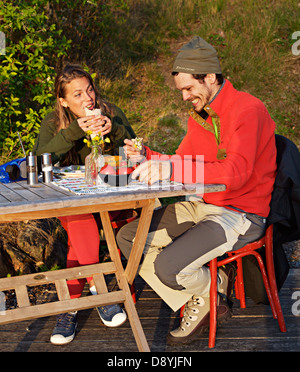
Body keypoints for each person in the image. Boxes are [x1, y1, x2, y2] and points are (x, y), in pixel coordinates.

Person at [117, 36, 277, 345]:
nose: (185, 97)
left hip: (239, 215)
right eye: (181, 91)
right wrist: (148, 157)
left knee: (167, 268)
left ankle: (202, 288)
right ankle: (209, 289)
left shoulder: (248, 110)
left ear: (211, 77)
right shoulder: (202, 115)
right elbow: (182, 159)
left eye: (189, 88)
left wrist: (173, 169)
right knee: (128, 238)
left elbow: (237, 173)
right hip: (203, 204)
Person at [33, 63, 136, 345]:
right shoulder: (55, 121)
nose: (87, 99)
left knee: (79, 233)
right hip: (72, 199)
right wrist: (73, 133)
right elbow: (41, 158)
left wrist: (113, 130)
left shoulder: (111, 112)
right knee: (79, 219)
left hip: (112, 195)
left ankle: (68, 309)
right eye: (77, 95)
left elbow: (135, 153)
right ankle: (98, 289)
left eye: (89, 90)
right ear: (63, 101)